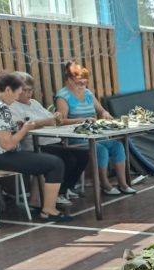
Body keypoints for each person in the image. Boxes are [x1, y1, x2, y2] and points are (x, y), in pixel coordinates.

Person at [0, 72, 72, 222]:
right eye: (18, 93)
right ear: (8, 90)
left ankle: (39, 202)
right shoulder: (1, 108)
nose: (16, 99)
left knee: (44, 159)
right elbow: (7, 144)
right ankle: (49, 210)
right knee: (55, 163)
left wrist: (16, 126)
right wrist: (25, 129)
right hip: (0, 156)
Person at [55, 61, 135, 196]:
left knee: (117, 146)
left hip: (95, 134)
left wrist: (104, 113)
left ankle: (123, 184)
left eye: (84, 82)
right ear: (68, 80)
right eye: (78, 82)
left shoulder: (87, 93)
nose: (82, 85)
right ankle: (104, 184)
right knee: (100, 150)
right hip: (77, 138)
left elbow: (101, 110)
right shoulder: (63, 96)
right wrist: (82, 120)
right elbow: (60, 121)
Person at [9, 72, 89, 206]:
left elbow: (52, 119)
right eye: (25, 90)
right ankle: (54, 195)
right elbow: (20, 126)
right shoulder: (12, 107)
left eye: (31, 90)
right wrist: (47, 121)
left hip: (52, 141)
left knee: (82, 155)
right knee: (68, 159)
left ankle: (62, 190)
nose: (29, 93)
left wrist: (56, 116)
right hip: (33, 145)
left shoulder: (34, 103)